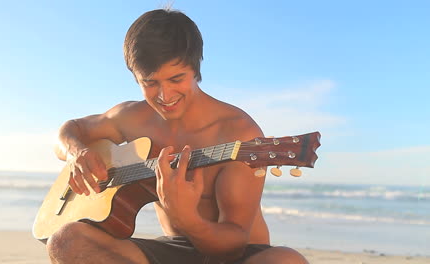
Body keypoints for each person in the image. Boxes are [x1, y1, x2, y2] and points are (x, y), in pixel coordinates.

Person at [46, 8, 309, 264]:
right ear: (136, 78)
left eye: (176, 78)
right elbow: (70, 130)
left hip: (240, 252)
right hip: (176, 249)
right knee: (65, 241)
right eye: (150, 83)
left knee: (287, 260)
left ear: (195, 69)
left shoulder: (238, 133)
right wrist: (77, 152)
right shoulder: (131, 118)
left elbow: (233, 244)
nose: (165, 96)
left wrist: (188, 219)